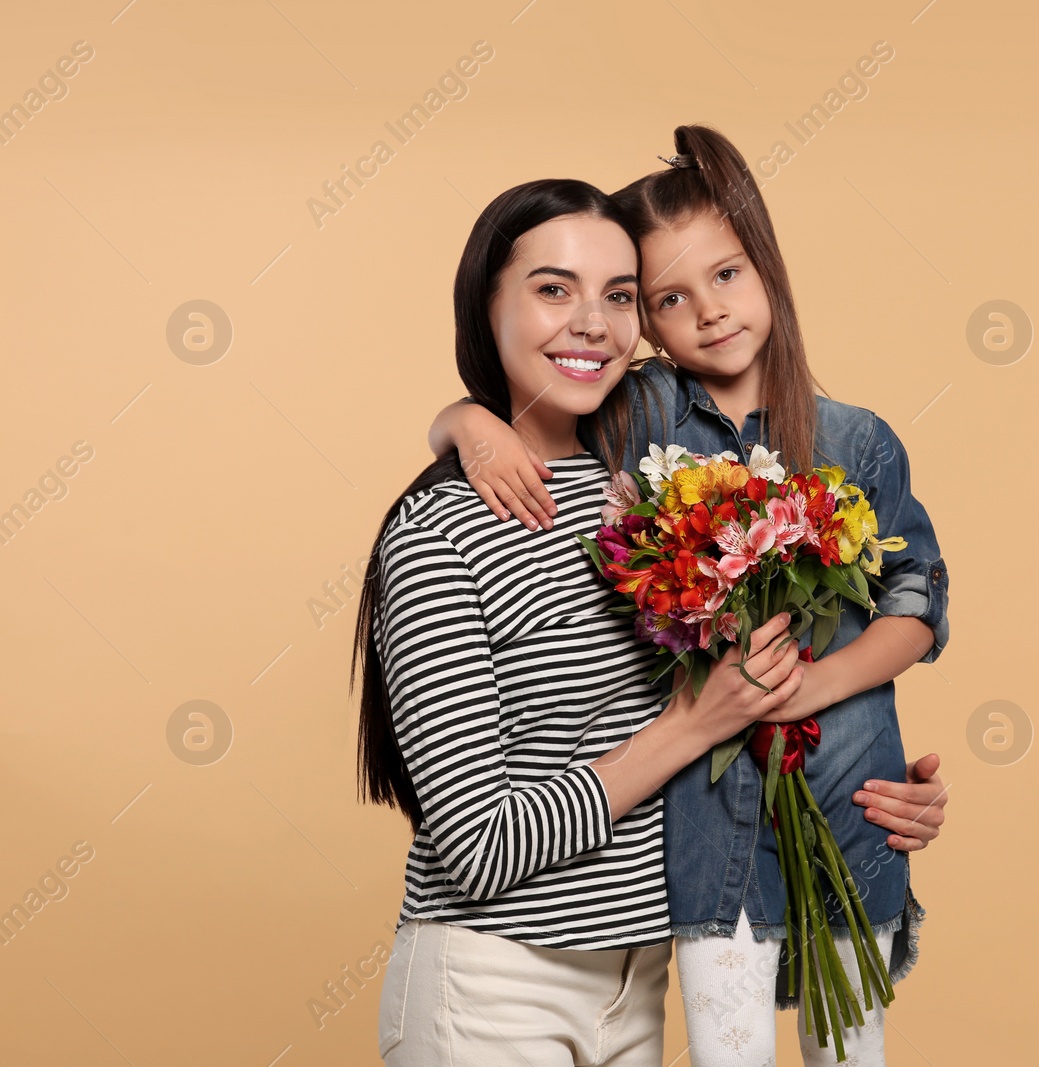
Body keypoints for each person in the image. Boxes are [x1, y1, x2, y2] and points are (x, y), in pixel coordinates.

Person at [355, 176, 948, 1067]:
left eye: (619, 295)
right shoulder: (449, 525)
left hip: (639, 984)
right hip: (491, 987)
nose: (592, 321)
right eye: (553, 288)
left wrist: (865, 784)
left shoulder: (642, 478)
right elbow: (476, 848)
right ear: (486, 304)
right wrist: (468, 423)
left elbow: (850, 625)